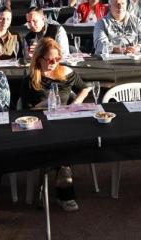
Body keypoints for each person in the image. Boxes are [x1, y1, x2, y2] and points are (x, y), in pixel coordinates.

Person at [21, 38, 90, 212]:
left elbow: (85, 87)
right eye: (50, 60)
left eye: (57, 59)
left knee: (66, 139)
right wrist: (41, 106)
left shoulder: (66, 72)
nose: (54, 63)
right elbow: (24, 108)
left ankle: (56, 178)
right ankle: (64, 186)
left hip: (64, 121)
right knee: (60, 145)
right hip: (40, 124)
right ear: (39, 59)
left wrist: (76, 103)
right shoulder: (30, 79)